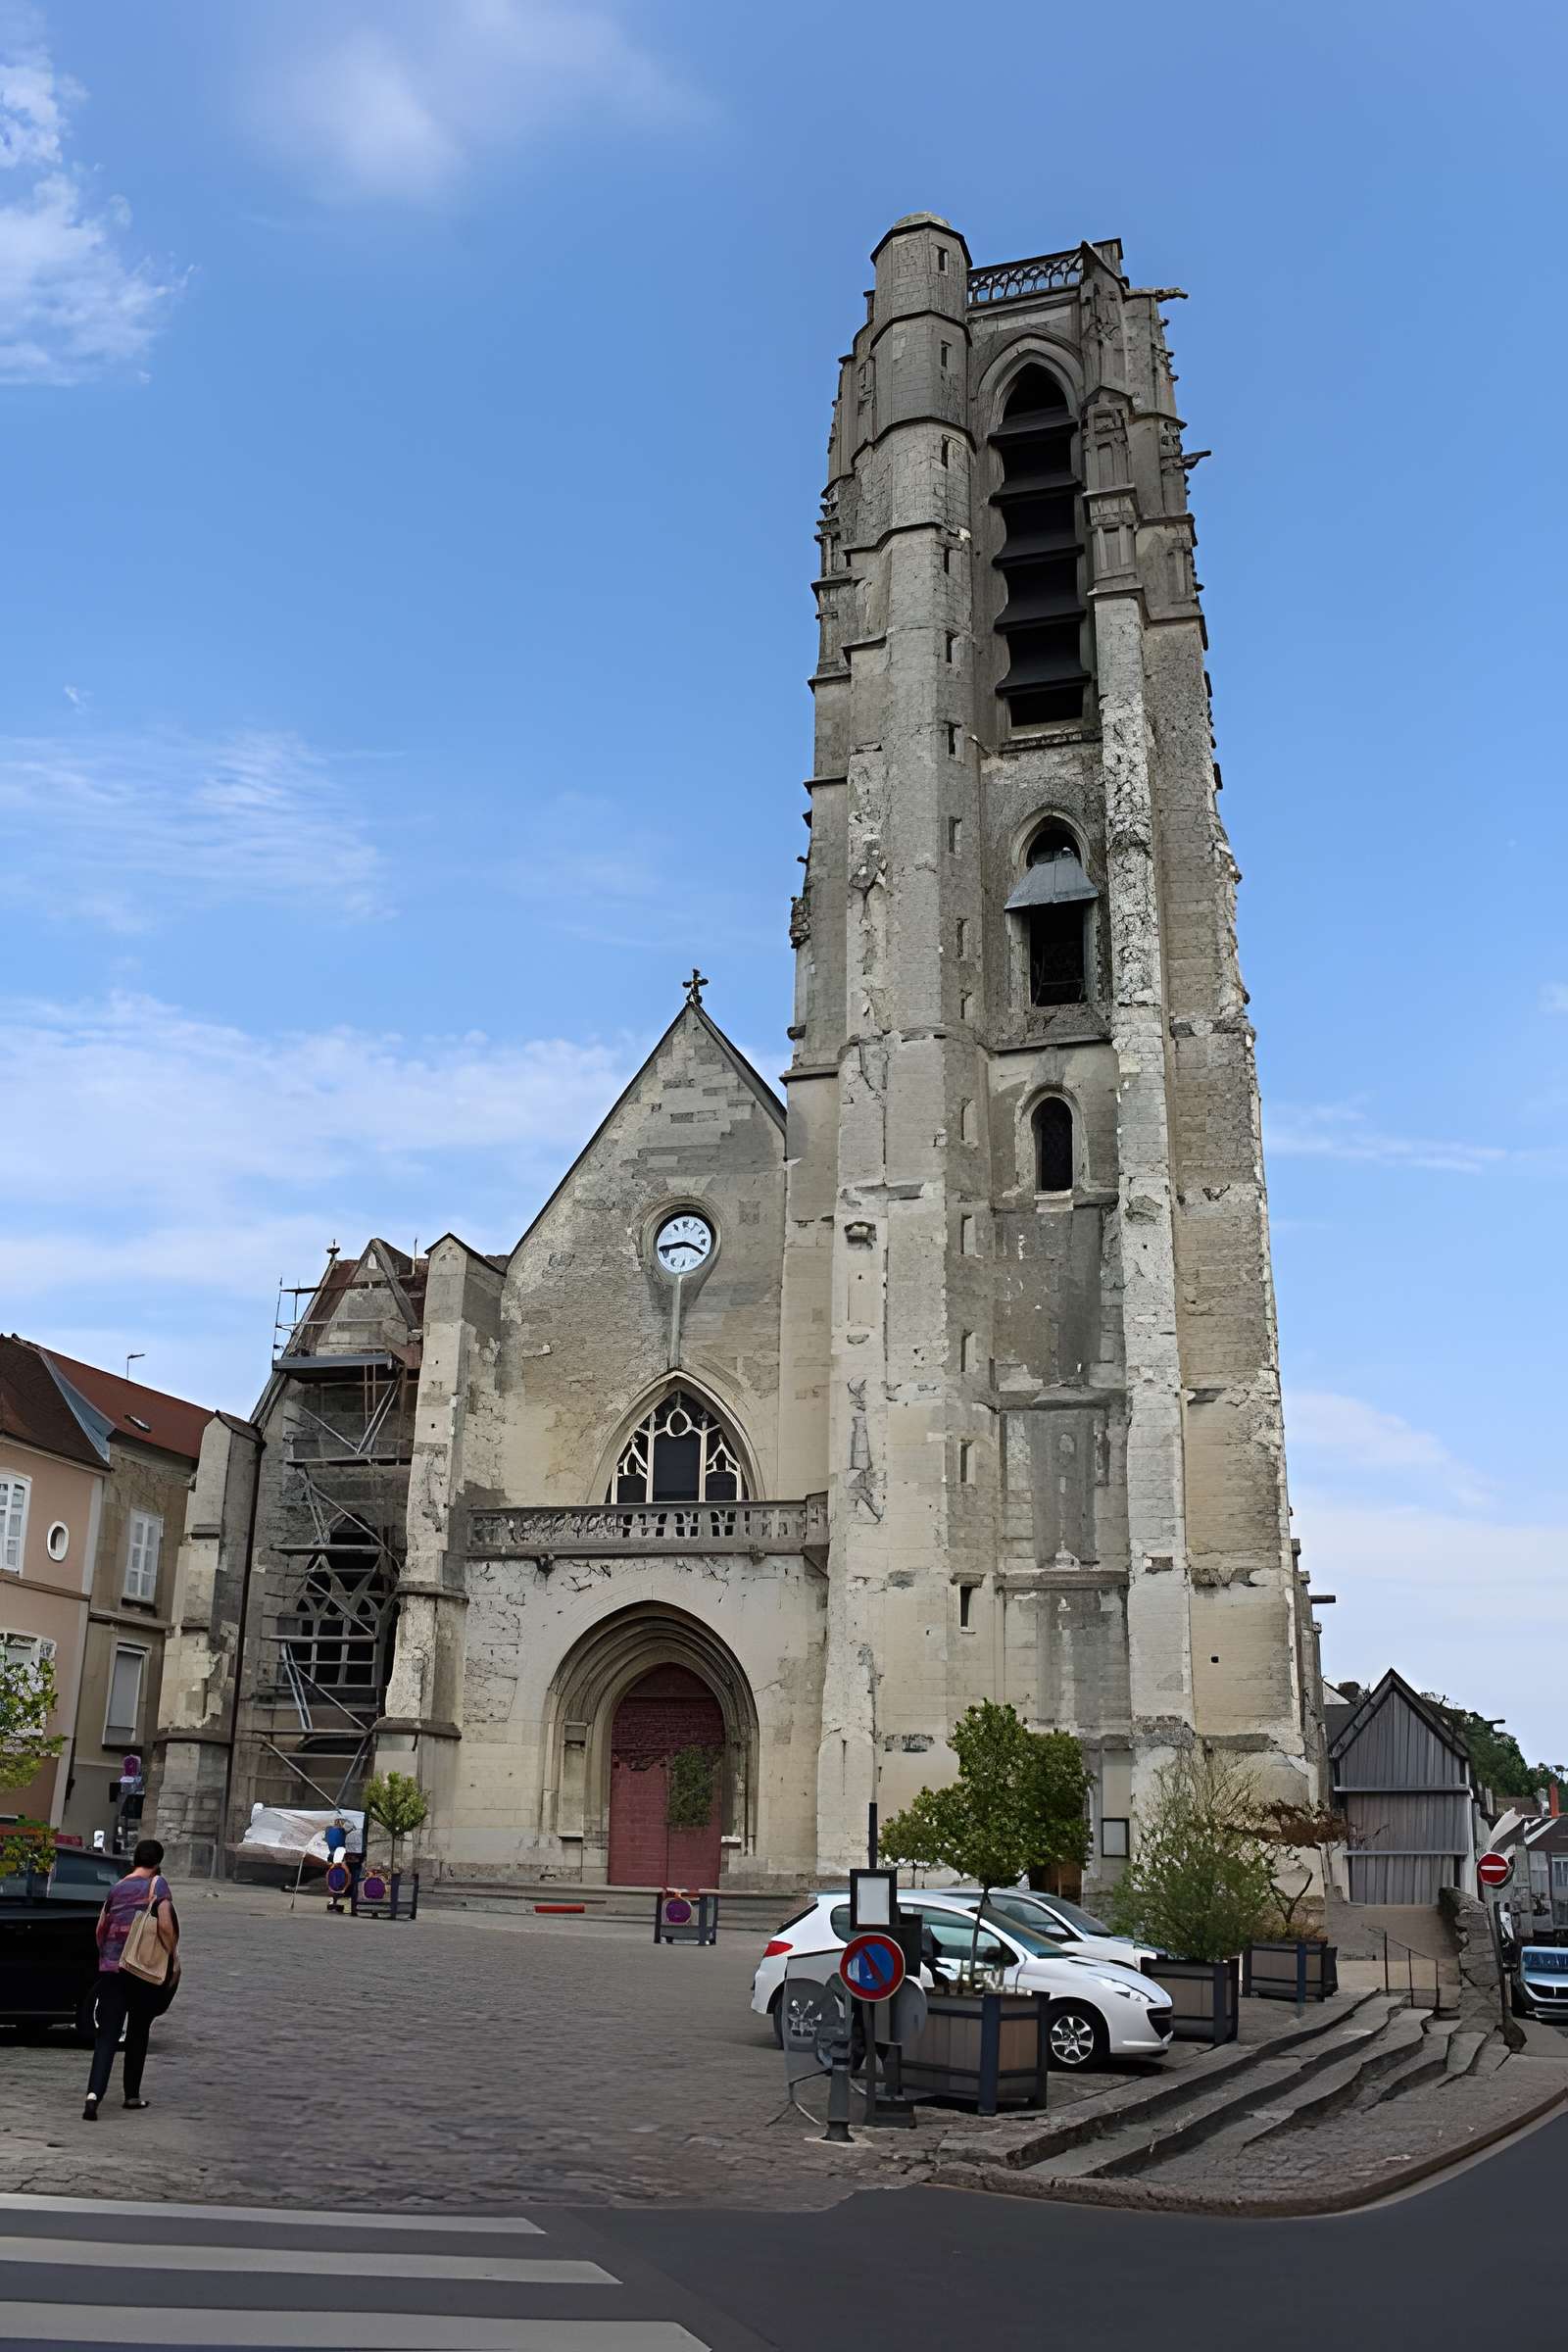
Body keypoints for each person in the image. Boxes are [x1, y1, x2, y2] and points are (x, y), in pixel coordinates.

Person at [82, 1837, 179, 2122]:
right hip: (140, 1970)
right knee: (138, 2030)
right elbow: (164, 1924)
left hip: (112, 1969)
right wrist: (171, 1953)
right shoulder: (157, 1886)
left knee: (107, 2036)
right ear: (158, 1862)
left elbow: (101, 1927)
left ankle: (93, 2096)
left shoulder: (118, 1886)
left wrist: (108, 1955)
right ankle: (131, 2096)